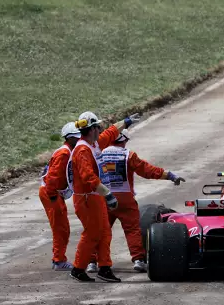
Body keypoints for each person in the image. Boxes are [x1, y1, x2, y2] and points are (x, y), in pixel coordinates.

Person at [86, 129, 186, 273]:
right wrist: (169, 175)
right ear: (124, 140)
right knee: (133, 229)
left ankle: (92, 262)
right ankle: (138, 260)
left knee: (100, 230)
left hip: (103, 197)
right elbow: (147, 170)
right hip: (125, 198)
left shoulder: (98, 153)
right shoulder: (128, 155)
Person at [66, 111, 140, 282]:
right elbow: (88, 177)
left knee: (105, 231)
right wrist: (108, 194)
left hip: (94, 196)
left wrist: (126, 122)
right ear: (92, 129)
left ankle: (104, 267)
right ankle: (78, 268)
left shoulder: (93, 144)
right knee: (92, 233)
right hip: (86, 198)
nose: (100, 129)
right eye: (98, 127)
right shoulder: (83, 150)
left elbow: (110, 133)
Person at [39, 122, 81, 271]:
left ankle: (59, 259)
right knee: (60, 228)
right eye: (77, 137)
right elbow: (52, 177)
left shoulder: (68, 151)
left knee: (62, 228)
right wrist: (53, 197)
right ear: (69, 138)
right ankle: (59, 260)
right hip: (51, 193)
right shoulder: (64, 153)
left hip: (54, 193)